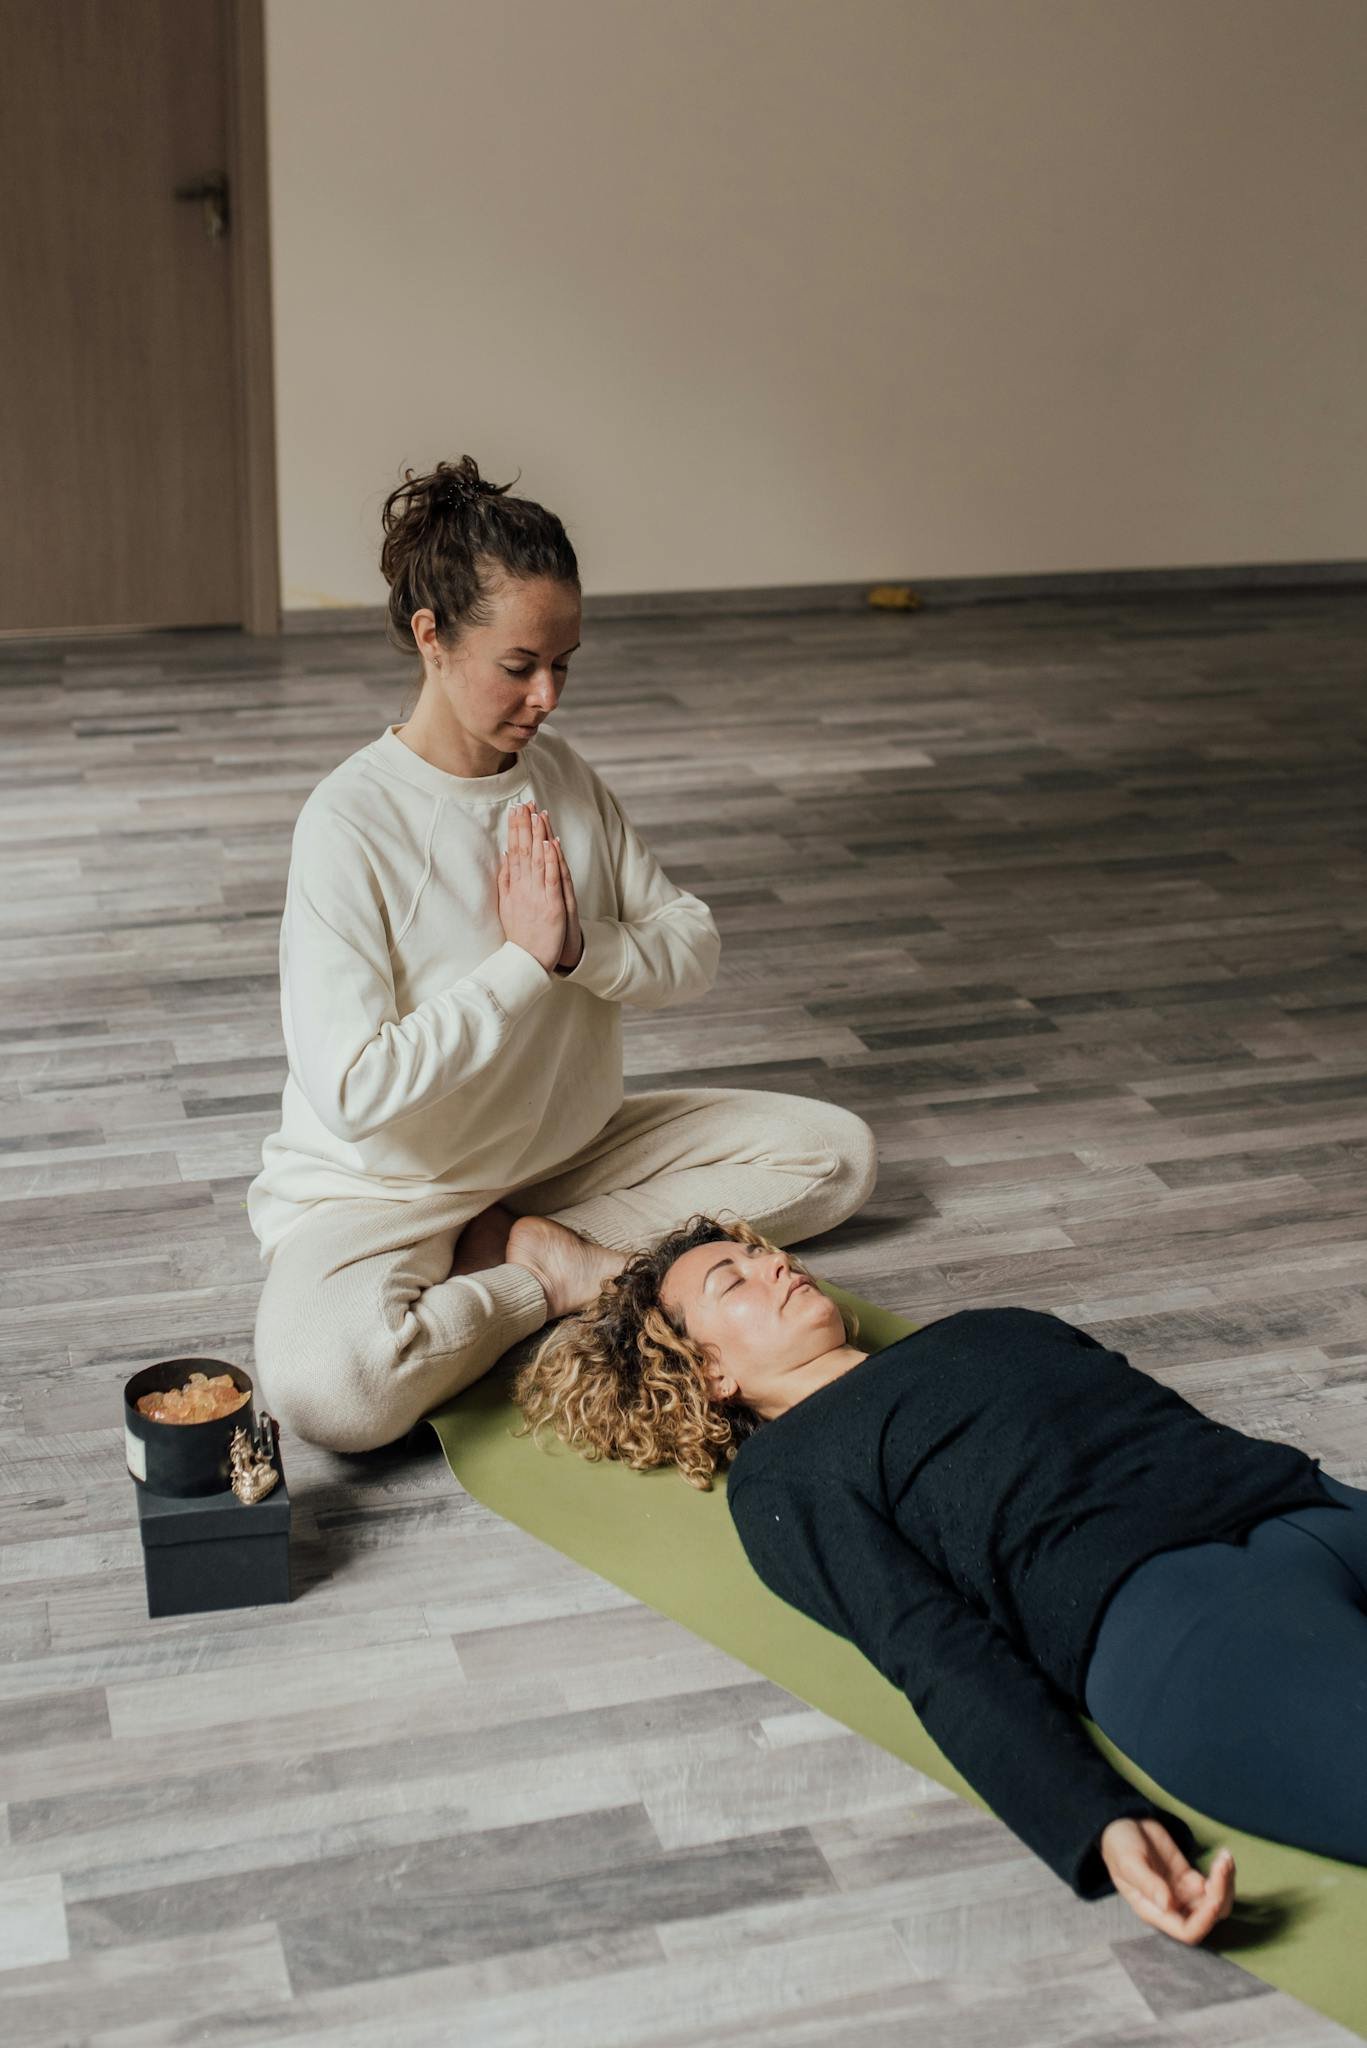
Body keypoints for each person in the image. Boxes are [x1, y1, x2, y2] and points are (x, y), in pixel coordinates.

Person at [511, 1210, 1367, 1945]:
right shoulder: (783, 1474)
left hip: (1309, 1499)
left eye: (766, 1252)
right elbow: (928, 1646)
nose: (774, 1263)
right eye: (732, 1280)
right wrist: (1092, 1818)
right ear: (709, 1372)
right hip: (1173, 1614)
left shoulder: (998, 1326)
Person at [247, 458, 878, 1452]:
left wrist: (580, 946)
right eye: (518, 665)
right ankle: (537, 1275)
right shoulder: (349, 823)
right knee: (330, 1386)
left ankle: (544, 1241)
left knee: (834, 1155)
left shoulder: (563, 778)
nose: (547, 695)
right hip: (395, 1190)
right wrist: (519, 965)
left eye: (564, 663)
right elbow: (353, 1088)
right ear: (430, 637)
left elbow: (690, 947)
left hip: (563, 1155)